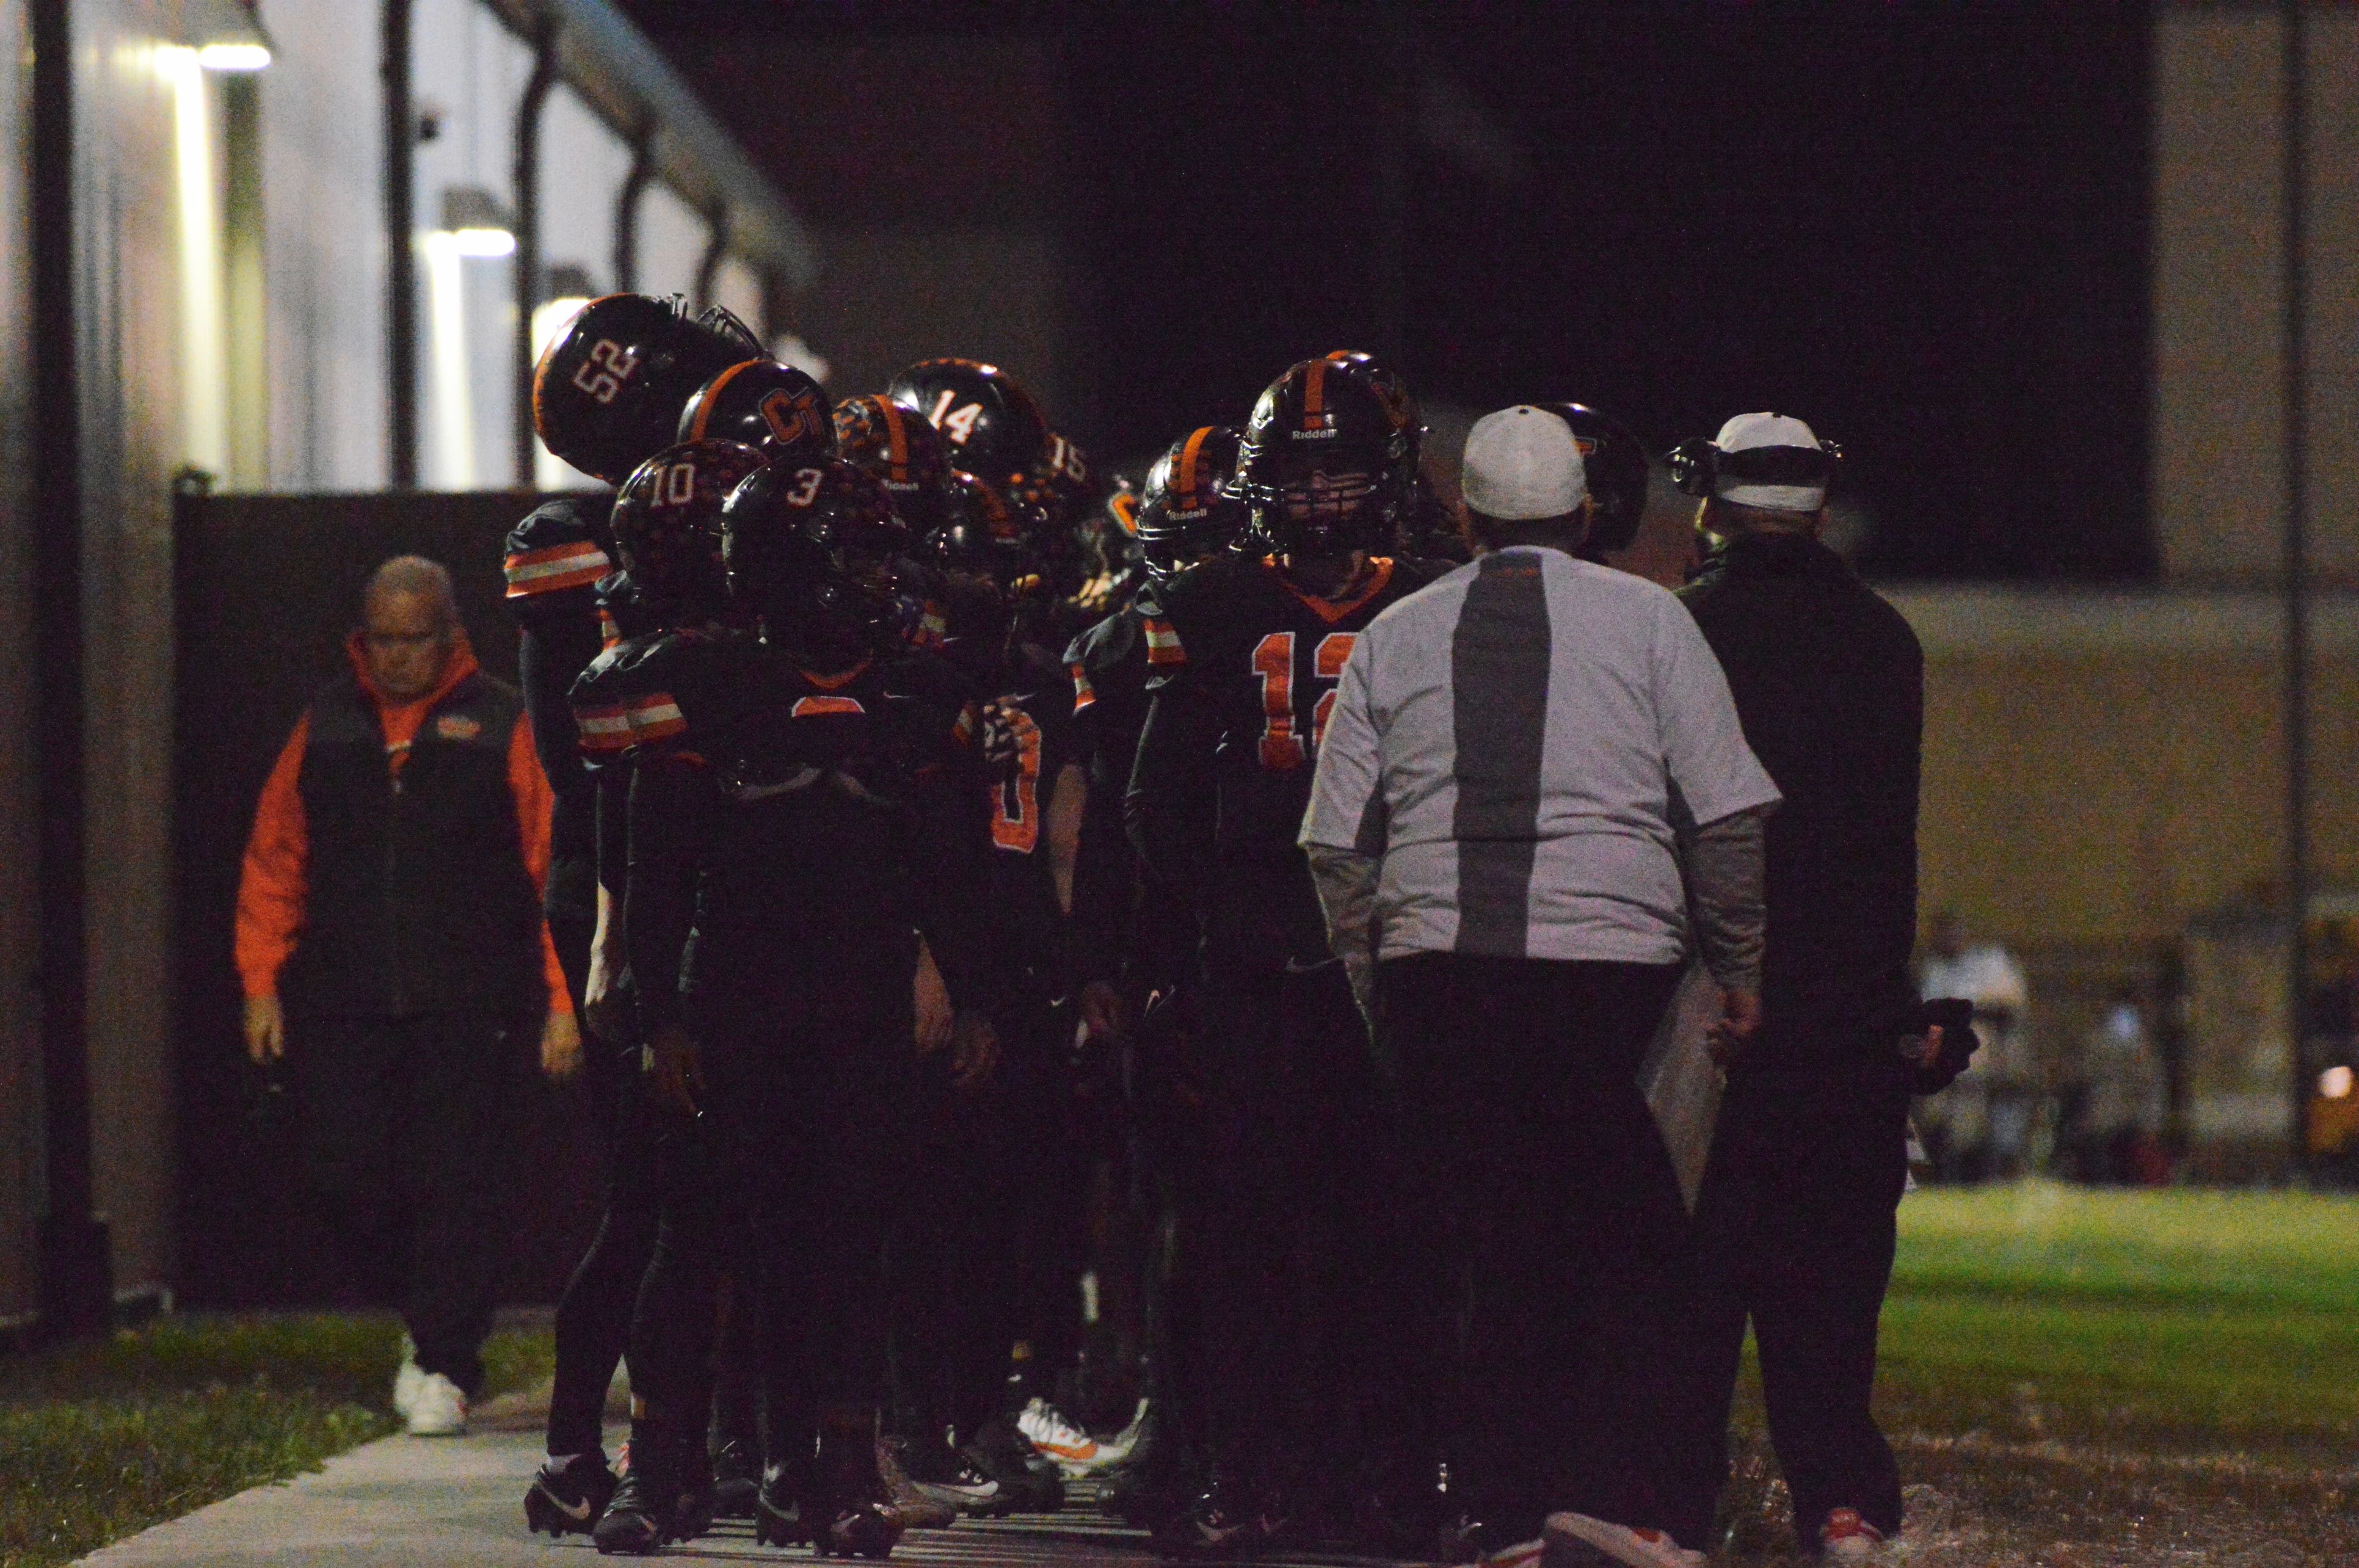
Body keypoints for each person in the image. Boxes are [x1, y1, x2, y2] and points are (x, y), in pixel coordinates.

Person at [1301, 405, 1780, 1568]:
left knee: (1498, 1247)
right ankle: (1622, 1498)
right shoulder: (1653, 622)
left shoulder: (1397, 632)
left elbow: (1335, 843)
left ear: (1464, 515)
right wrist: (1739, 965)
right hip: (1601, 972)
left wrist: (1379, 977)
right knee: (1640, 1250)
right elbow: (1723, 816)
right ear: (1584, 515)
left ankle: (1510, 1502)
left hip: (1438, 971)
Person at [1128, 356, 1447, 1553]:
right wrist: (1189, 943)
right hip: (1257, 953)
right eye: (1299, 477)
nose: (1318, 501)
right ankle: (1243, 1468)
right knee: (1244, 1236)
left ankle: (1389, 1470)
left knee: (1388, 1232)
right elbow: (1156, 799)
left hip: (1384, 958)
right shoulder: (1210, 599)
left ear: (1385, 478)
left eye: (1341, 474)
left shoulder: (1430, 599)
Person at [1659, 413, 1963, 1560]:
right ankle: (1842, 1505)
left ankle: (1671, 1511)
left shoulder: (1678, 631)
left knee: (1690, 1302)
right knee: (1829, 1305)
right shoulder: (1885, 637)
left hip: (1708, 1020)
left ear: (1717, 503)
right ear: (1820, 505)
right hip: (1845, 1019)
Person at [237, 556, 578, 1438]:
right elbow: (277, 860)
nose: (395, 657)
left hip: (472, 1001)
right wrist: (262, 982)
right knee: (345, 1175)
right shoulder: (328, 723)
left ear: (450, 635)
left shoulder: (502, 720)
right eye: (381, 639)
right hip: (345, 1000)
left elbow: (554, 867)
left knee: (458, 1184)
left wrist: (562, 997)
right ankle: (423, 1325)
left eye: (413, 638)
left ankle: (445, 1361)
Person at [1915, 911, 2033, 1181]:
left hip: (1994, 1049)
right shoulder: (1934, 968)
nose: (1947, 939)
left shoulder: (1992, 960)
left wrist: (1969, 1011)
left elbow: (2007, 1007)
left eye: (1952, 932)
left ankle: (1995, 1168)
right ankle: (1947, 1168)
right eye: (1941, 934)